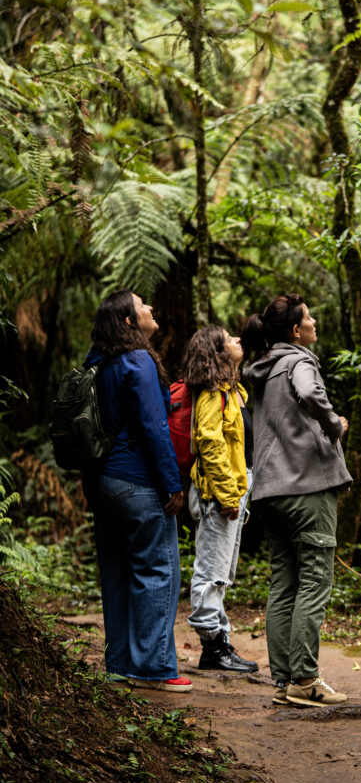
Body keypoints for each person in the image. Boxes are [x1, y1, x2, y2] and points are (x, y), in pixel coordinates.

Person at [242, 293, 351, 708]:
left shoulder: (262, 370)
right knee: (314, 581)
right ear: (295, 331)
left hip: (269, 491)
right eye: (308, 317)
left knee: (283, 583)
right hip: (306, 488)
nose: (314, 320)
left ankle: (286, 680)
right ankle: (305, 680)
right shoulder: (299, 361)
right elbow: (309, 393)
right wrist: (334, 426)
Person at [83, 289, 191, 692]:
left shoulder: (98, 363)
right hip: (138, 481)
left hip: (104, 483)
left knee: (116, 572)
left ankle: (120, 665)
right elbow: (152, 426)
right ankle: (153, 668)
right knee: (157, 569)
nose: (150, 308)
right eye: (142, 305)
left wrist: (89, 483)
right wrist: (171, 481)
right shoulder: (138, 360)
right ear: (130, 322)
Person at [182, 325, 259, 673]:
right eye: (230, 340)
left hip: (234, 492)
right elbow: (209, 444)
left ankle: (220, 642)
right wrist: (229, 494)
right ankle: (211, 647)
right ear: (216, 353)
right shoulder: (213, 395)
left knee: (222, 572)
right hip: (218, 495)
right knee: (211, 570)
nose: (238, 341)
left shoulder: (234, 391)